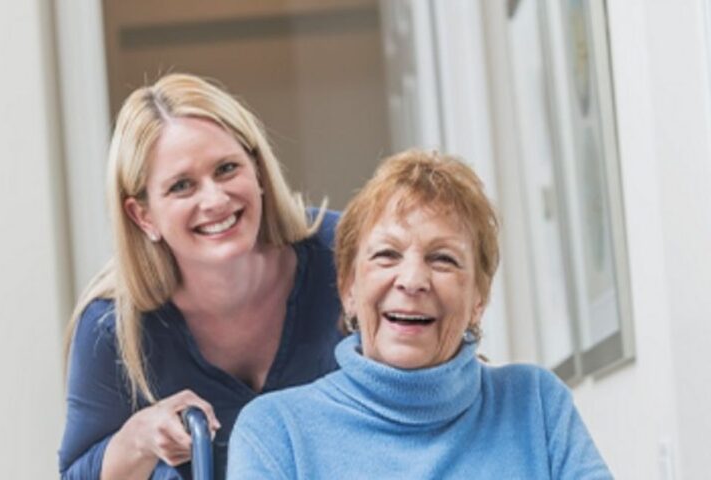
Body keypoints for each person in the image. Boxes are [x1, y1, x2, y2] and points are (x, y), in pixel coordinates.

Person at [226, 150, 613, 479]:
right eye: (387, 255)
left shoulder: (536, 402)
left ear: (478, 299)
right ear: (348, 290)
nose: (412, 281)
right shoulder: (275, 430)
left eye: (443, 259)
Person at [58, 73, 343, 479]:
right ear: (143, 216)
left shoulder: (346, 252)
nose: (214, 199)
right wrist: (139, 439)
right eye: (181, 186)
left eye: (226, 169)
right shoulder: (113, 328)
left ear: (258, 171)